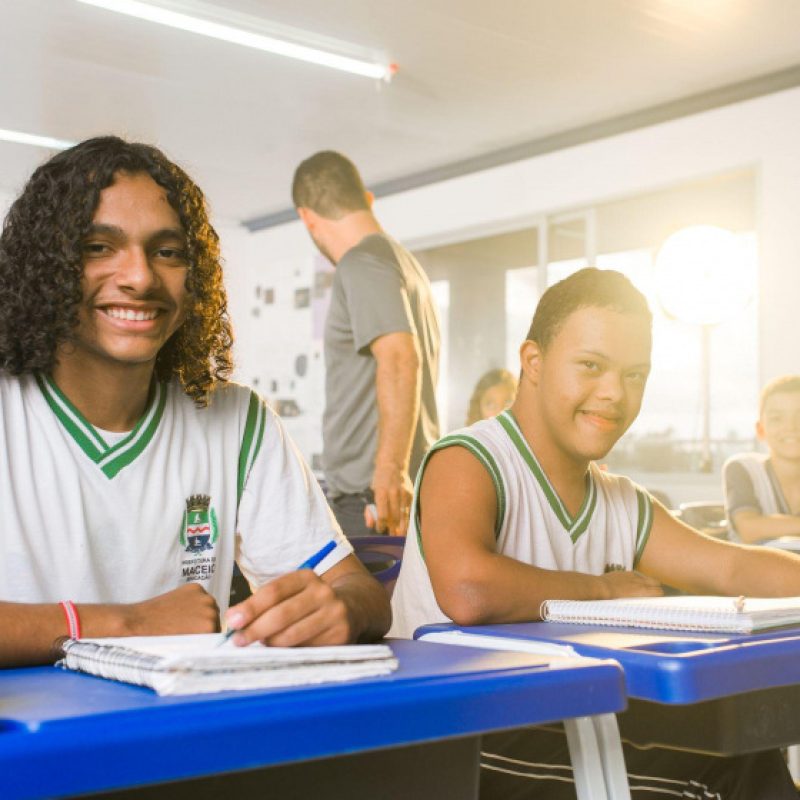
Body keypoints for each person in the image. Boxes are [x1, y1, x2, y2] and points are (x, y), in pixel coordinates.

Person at [390, 268, 800, 799]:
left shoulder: (620, 499)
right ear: (532, 363)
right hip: (457, 732)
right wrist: (605, 589)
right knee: (719, 777)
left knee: (748, 751)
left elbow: (732, 567)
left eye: (635, 375)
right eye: (591, 366)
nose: (614, 393)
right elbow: (469, 591)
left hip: (565, 716)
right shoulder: (469, 458)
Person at [0, 136, 391, 668]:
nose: (139, 277)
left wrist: (339, 609)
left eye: (167, 252)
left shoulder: (237, 420)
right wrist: (129, 624)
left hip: (186, 736)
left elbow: (358, 590)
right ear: (44, 267)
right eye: (98, 247)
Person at [293, 151, 440, 538]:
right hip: (387, 494)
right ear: (368, 200)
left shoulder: (361, 263)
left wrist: (389, 474)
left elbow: (399, 359)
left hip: (374, 499)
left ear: (306, 217)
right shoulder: (403, 264)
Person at [723, 375, 800, 542]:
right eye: (776, 419)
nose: (792, 427)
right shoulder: (743, 469)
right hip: (752, 567)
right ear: (760, 429)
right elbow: (749, 528)